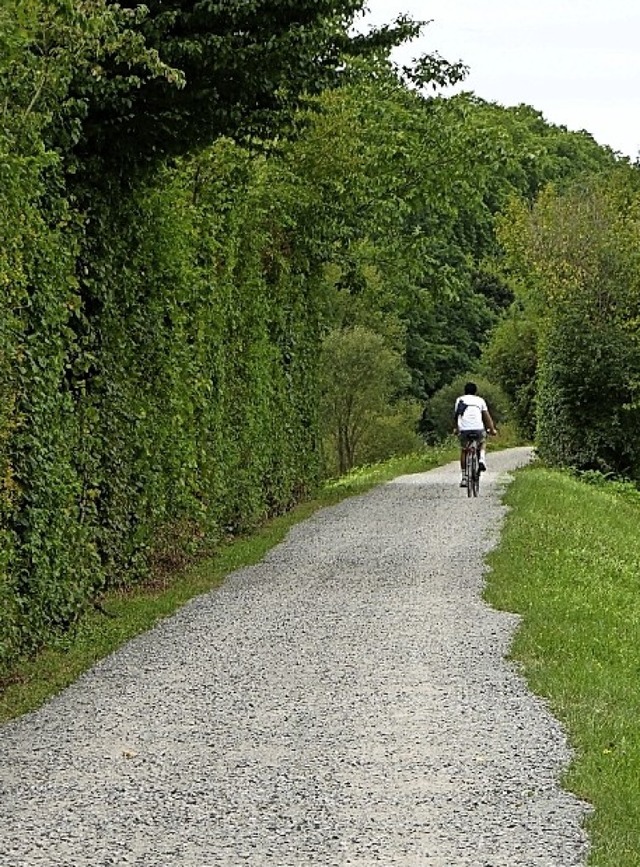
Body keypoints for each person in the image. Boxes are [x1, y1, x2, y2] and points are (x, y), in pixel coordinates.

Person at [453, 382, 498, 487]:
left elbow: (456, 416)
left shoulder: (459, 400)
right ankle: (481, 459)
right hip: (478, 429)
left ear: (464, 391)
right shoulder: (480, 400)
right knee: (482, 442)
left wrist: (456, 429)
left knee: (464, 450)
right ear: (475, 391)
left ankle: (464, 478)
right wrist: (492, 430)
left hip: (464, 430)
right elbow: (487, 418)